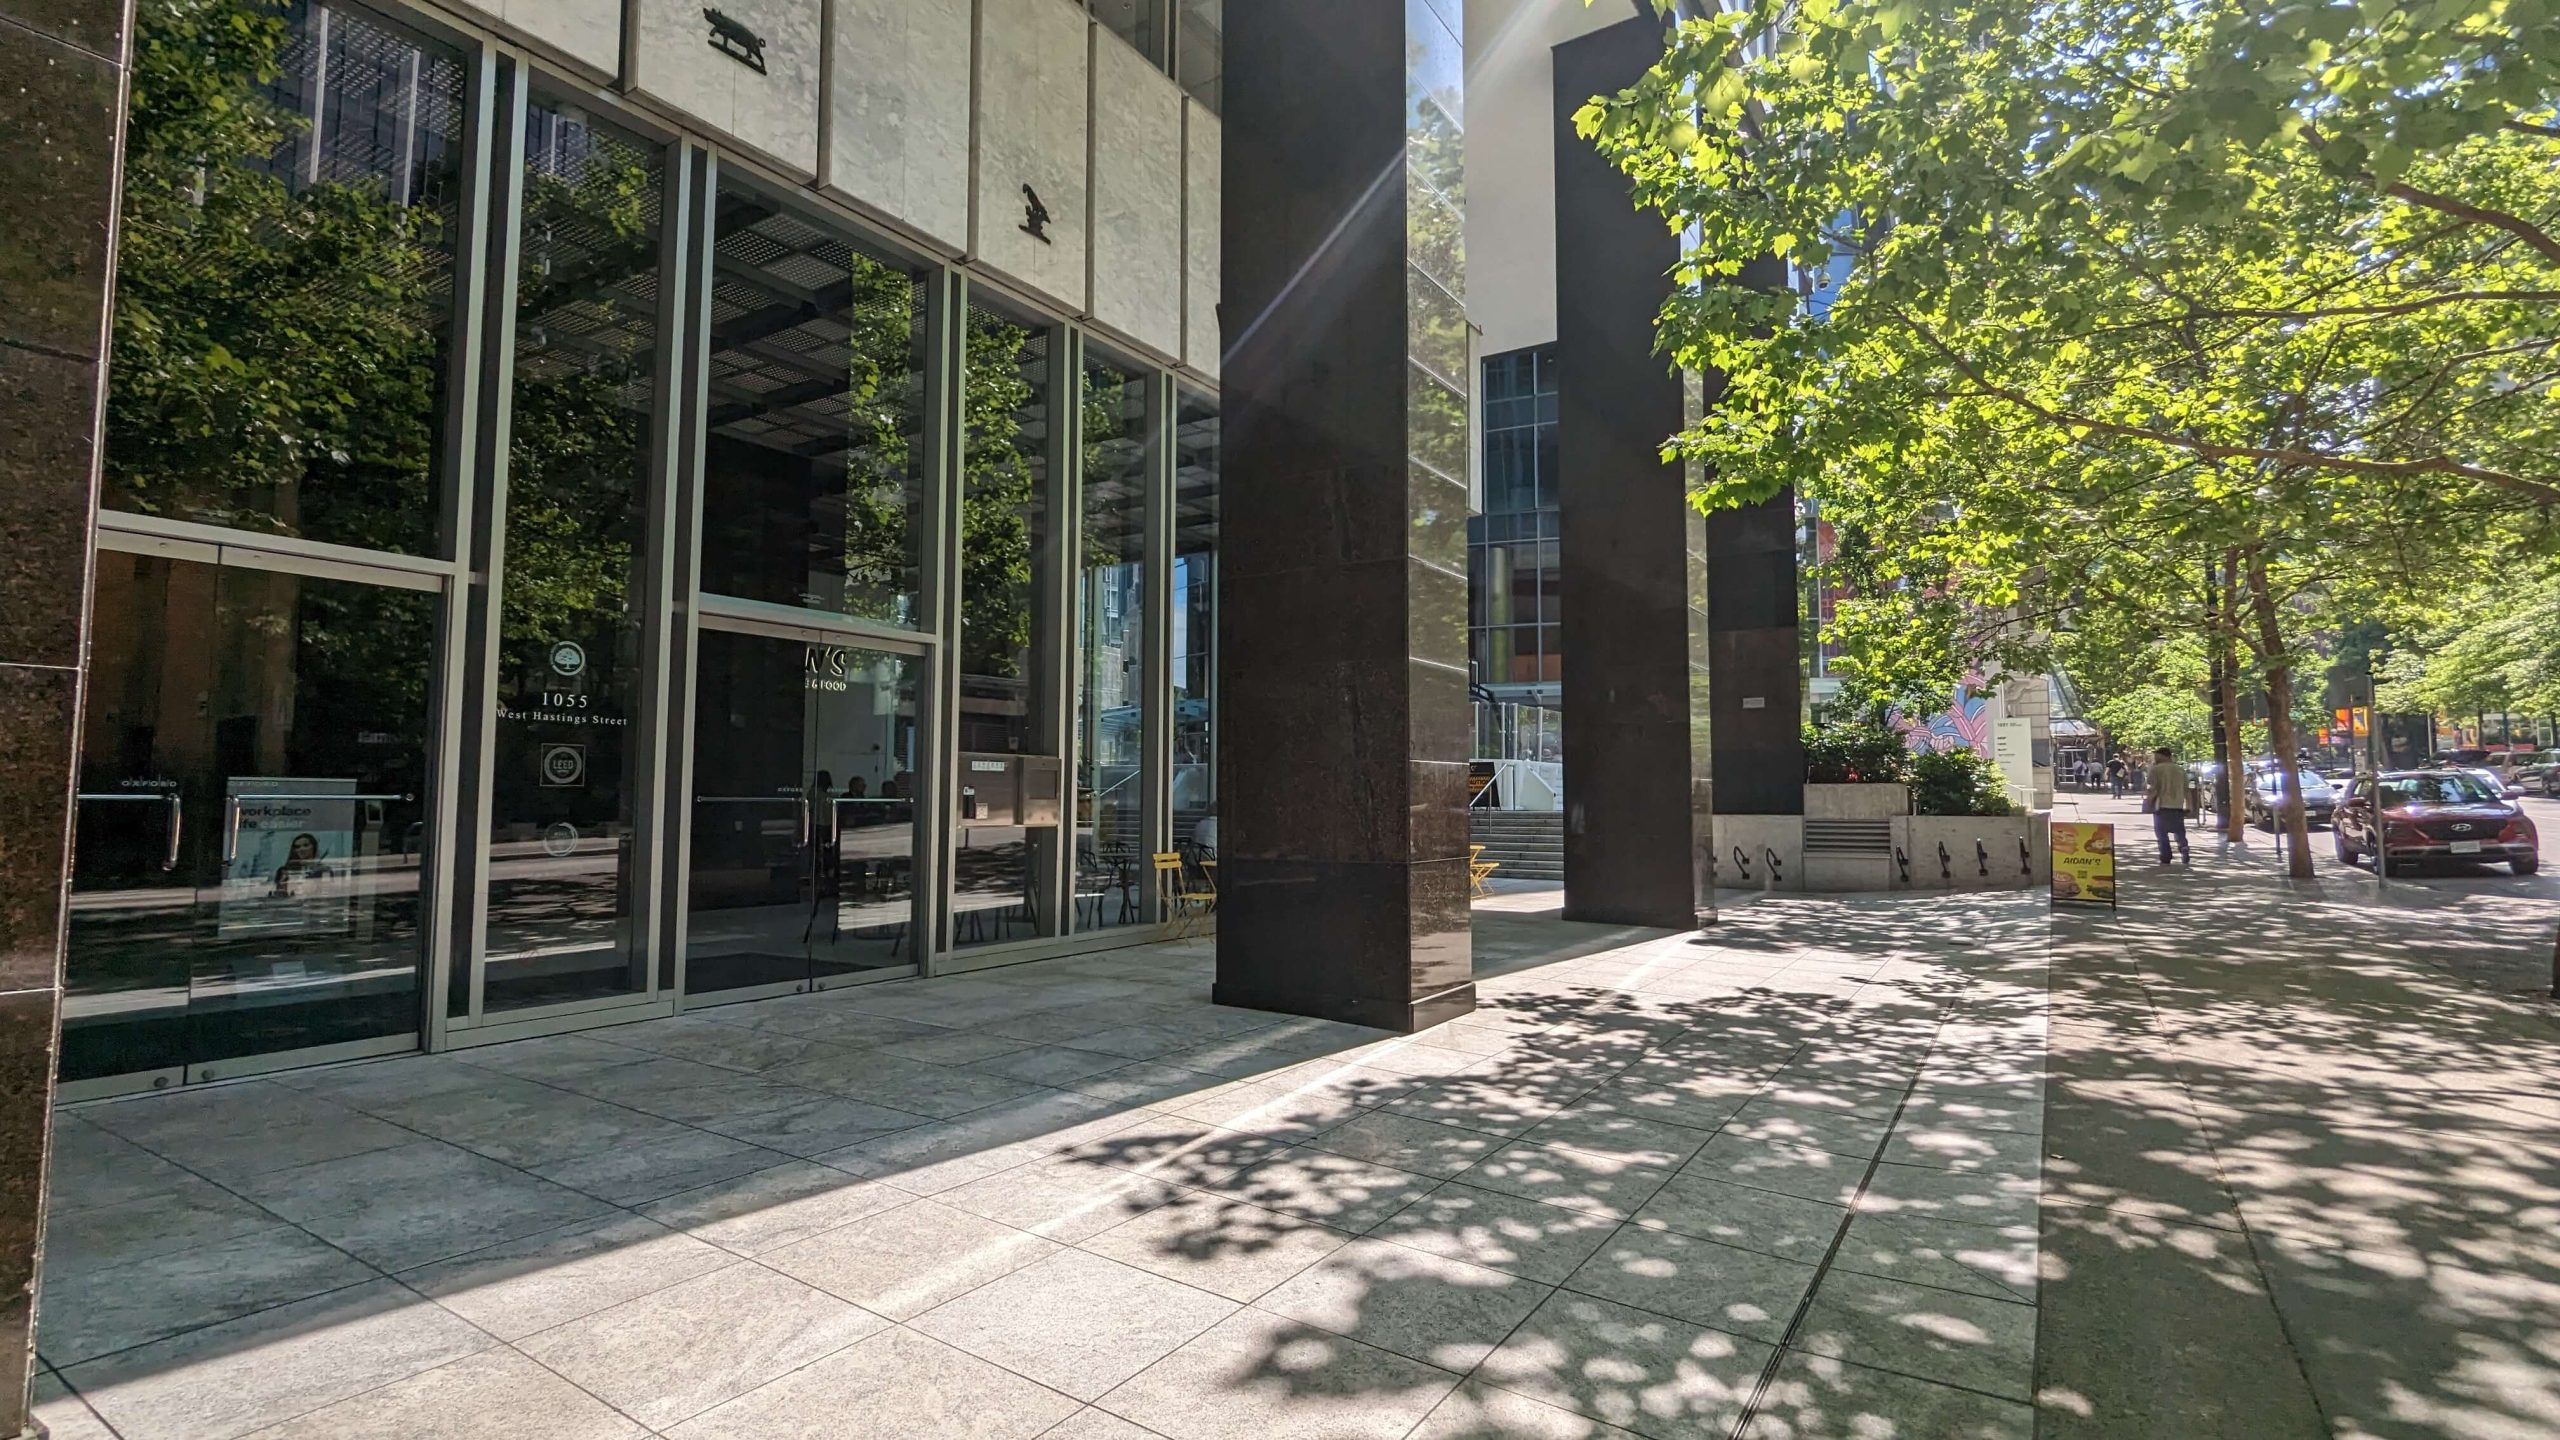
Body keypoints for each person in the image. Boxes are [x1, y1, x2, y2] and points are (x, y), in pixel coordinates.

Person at [2144, 746, 2192, 865]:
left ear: (2163, 756)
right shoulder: (2180, 770)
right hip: (2177, 805)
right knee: (2179, 830)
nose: (2155, 758)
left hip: (2161, 805)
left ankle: (2166, 855)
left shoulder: (2156, 770)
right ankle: (2184, 847)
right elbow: (2186, 790)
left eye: (2156, 756)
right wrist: (2189, 805)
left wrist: (2148, 802)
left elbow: (2153, 788)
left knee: (2161, 832)